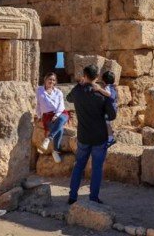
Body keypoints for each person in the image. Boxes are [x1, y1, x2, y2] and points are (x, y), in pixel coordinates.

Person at [66, 64, 117, 205]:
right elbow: (112, 116)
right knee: (96, 168)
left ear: (84, 75)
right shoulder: (101, 94)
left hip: (83, 135)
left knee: (78, 166)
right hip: (99, 137)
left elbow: (68, 98)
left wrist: (79, 85)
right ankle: (93, 197)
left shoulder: (77, 91)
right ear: (97, 77)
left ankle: (72, 196)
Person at [35, 72, 69, 163]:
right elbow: (37, 104)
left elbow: (61, 106)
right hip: (47, 116)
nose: (51, 81)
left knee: (61, 119)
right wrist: (38, 116)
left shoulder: (58, 92)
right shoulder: (39, 90)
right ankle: (55, 151)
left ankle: (48, 139)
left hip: (61, 113)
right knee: (60, 129)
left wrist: (56, 115)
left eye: (53, 80)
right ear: (45, 79)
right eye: (50, 79)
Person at [100, 71, 118, 147]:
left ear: (103, 81)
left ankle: (110, 139)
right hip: (113, 110)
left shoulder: (107, 87)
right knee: (106, 124)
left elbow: (108, 94)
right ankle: (109, 136)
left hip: (109, 111)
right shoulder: (113, 87)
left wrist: (99, 89)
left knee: (106, 123)